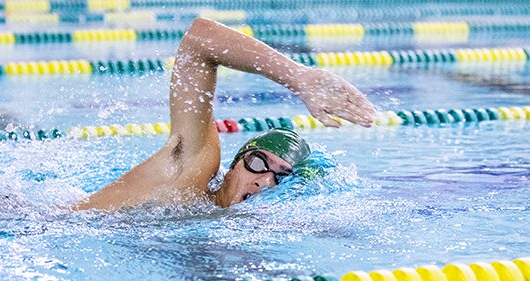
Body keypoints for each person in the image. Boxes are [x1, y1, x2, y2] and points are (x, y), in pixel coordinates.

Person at [73, 18, 376, 211]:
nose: (264, 181)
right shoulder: (189, 175)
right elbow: (199, 40)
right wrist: (299, 78)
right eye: (257, 163)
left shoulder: (238, 222)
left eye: (281, 177)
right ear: (232, 166)